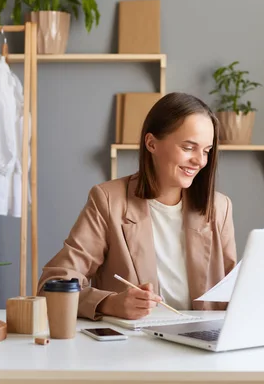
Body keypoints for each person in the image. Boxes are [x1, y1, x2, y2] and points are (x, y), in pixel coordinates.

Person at [37, 92, 237, 321]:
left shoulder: (220, 208)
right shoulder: (108, 200)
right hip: (133, 345)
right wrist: (109, 303)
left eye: (206, 151)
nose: (200, 161)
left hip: (203, 346)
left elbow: (235, 294)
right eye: (188, 147)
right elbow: (52, 285)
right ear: (152, 143)